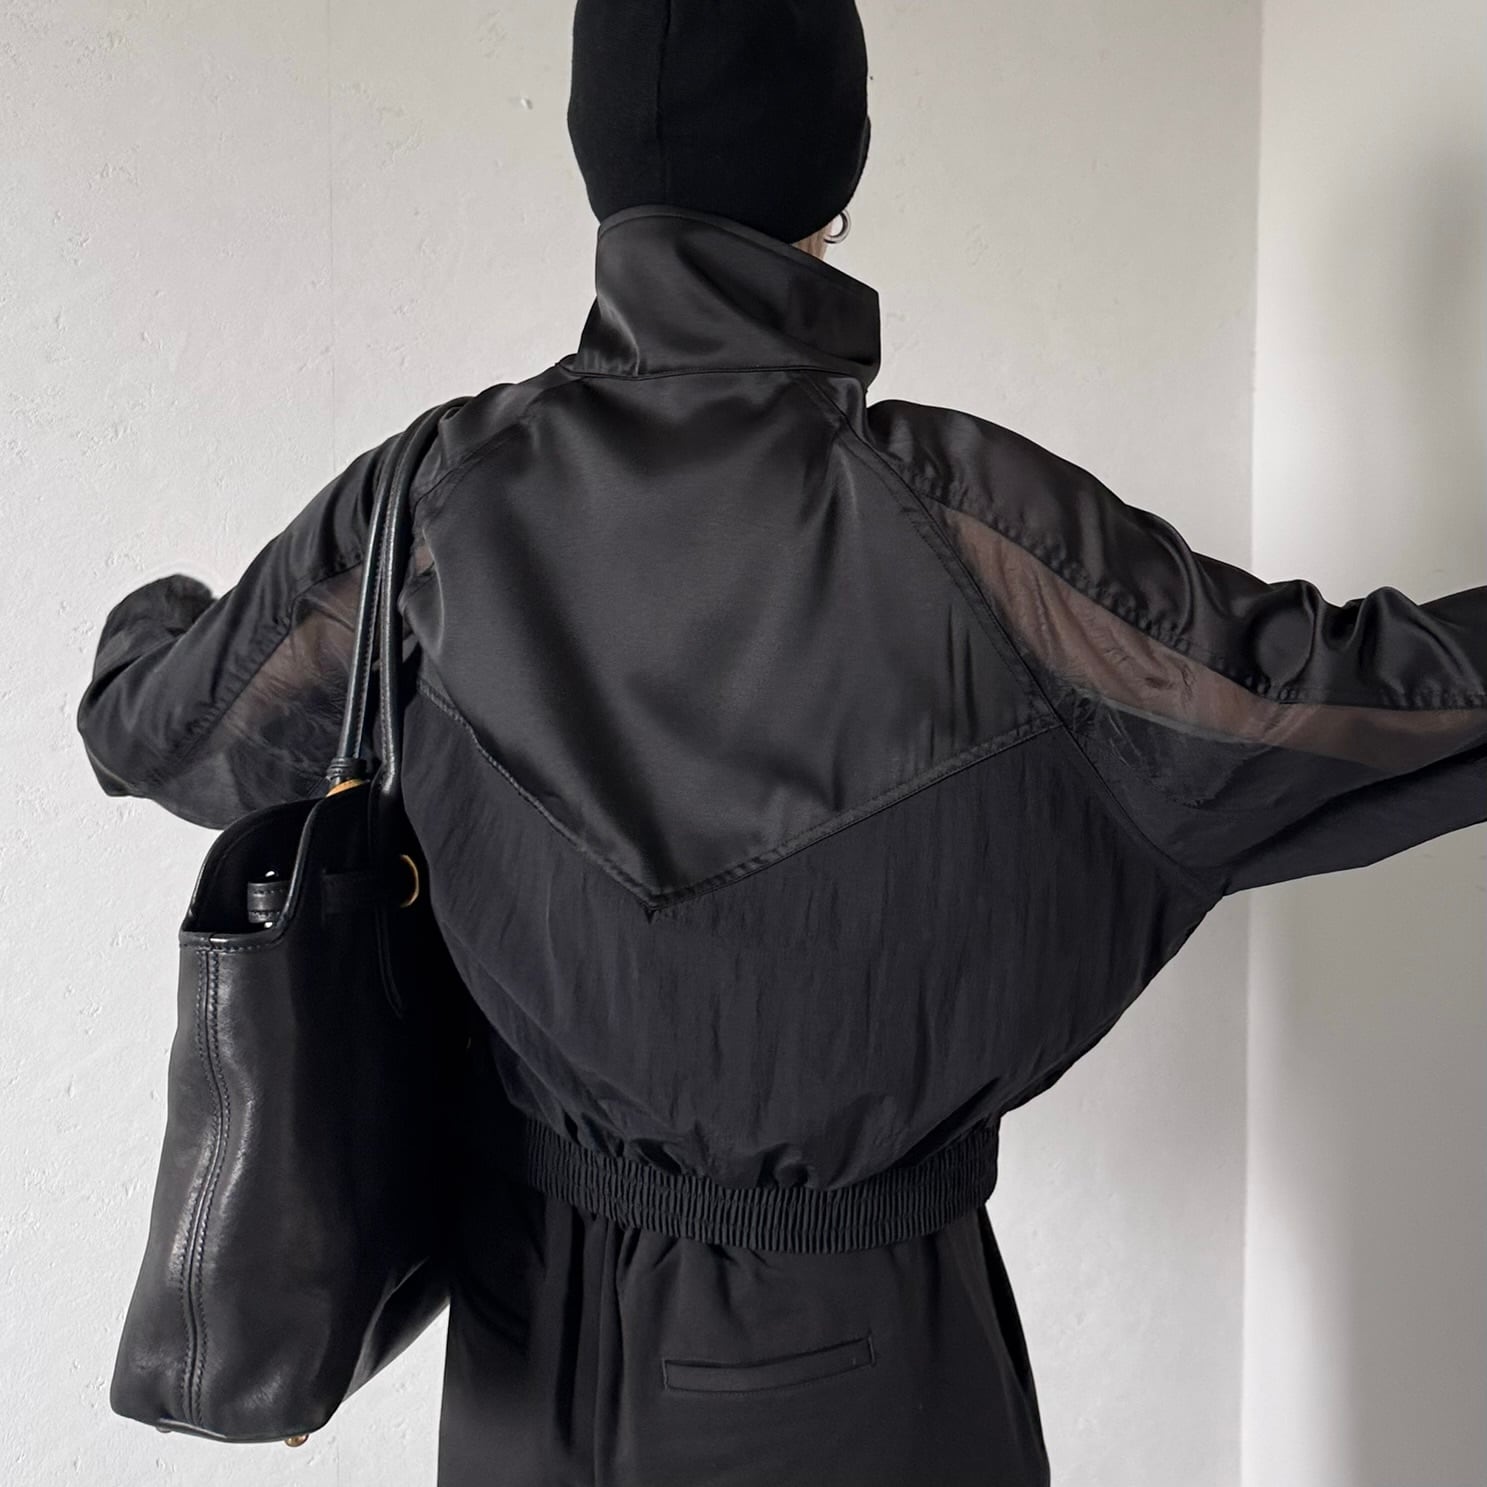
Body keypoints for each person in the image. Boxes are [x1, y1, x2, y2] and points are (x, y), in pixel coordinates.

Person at [75, 2, 1487, 1484]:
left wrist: (157, 616)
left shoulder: (430, 507)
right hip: (863, 1381)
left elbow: (152, 730)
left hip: (519, 1360)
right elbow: (1333, 706)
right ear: (838, 160)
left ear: (594, 153)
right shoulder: (972, 530)